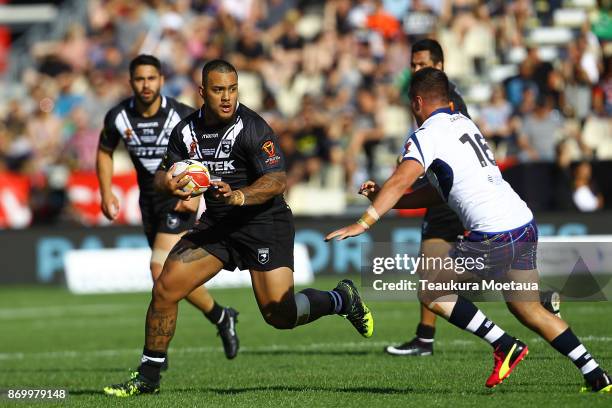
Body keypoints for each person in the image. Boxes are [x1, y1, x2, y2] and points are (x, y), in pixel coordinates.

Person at [326, 68, 610, 393]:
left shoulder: (427, 135)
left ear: (417, 102)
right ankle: (596, 375)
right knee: (527, 308)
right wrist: (388, 198)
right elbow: (440, 190)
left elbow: (401, 179)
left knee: (432, 290)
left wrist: (363, 222)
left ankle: (505, 345)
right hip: (522, 221)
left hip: (493, 233)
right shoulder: (463, 122)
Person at [103, 59, 374, 397]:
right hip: (218, 226)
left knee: (280, 315)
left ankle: (339, 299)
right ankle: (148, 376)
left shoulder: (252, 127)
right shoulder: (185, 132)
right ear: (203, 92)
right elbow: (161, 174)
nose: (227, 97)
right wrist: (170, 185)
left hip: (263, 223)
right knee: (166, 286)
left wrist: (241, 196)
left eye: (232, 89)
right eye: (218, 90)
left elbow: (277, 179)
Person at [384, 39, 559, 357]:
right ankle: (427, 336)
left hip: (451, 195)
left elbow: (454, 151)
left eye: (422, 64)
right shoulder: (425, 97)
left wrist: (407, 173)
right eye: (412, 64)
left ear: (439, 66)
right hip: (446, 190)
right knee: (435, 272)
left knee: (436, 276)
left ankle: (527, 311)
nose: (415, 69)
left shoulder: (447, 101)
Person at [96, 55, 240, 369]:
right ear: (130, 82)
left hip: (179, 200)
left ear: (161, 80)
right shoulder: (119, 117)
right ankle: (221, 315)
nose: (145, 85)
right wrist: (106, 192)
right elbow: (105, 151)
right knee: (170, 276)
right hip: (149, 203)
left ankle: (155, 355)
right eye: (139, 79)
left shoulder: (182, 115)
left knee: (158, 270)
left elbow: (206, 156)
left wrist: (195, 194)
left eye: (151, 78)